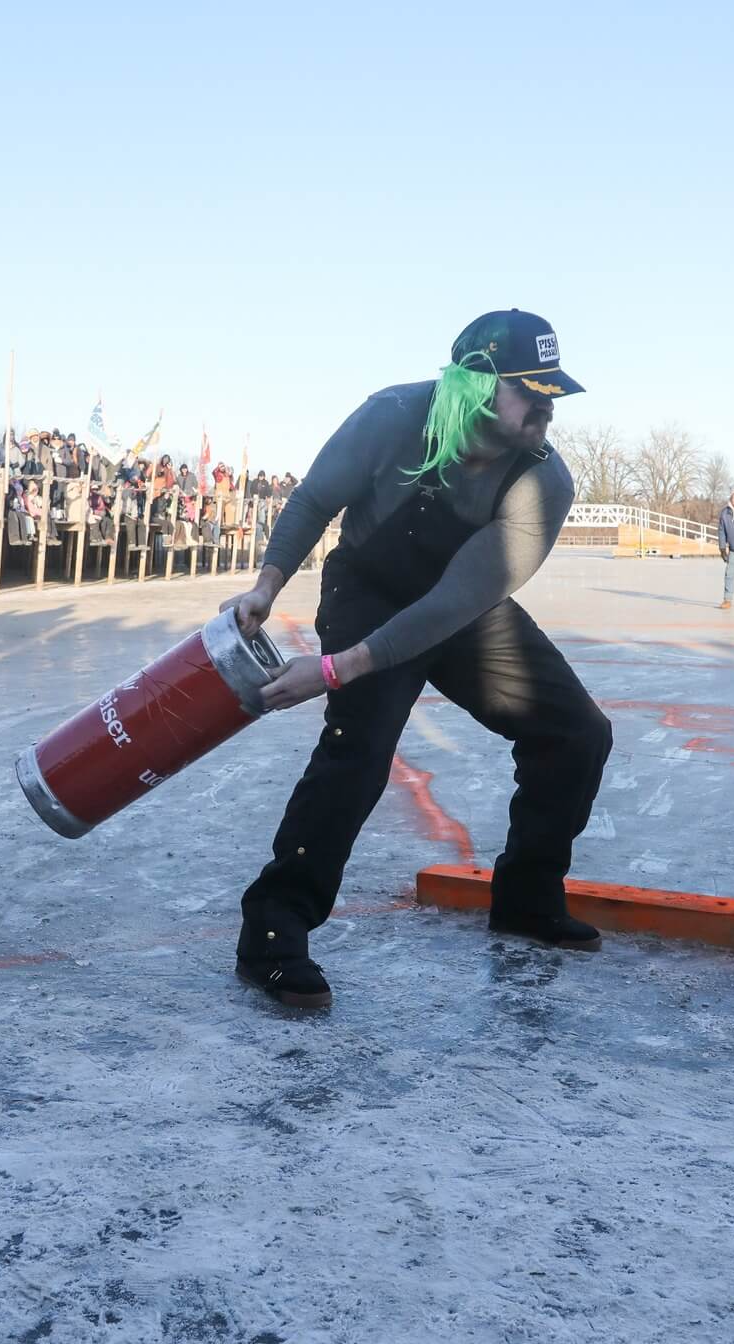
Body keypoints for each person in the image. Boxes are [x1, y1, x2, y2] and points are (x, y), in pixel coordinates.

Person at [219, 309, 610, 1009]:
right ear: (476, 385)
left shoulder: (543, 483)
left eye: (554, 392)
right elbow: (313, 501)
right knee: (359, 749)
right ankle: (273, 930)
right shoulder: (394, 415)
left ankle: (526, 897)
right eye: (531, 390)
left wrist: (335, 669)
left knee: (577, 733)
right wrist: (267, 583)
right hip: (366, 586)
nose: (548, 408)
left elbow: (456, 601)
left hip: (462, 608)